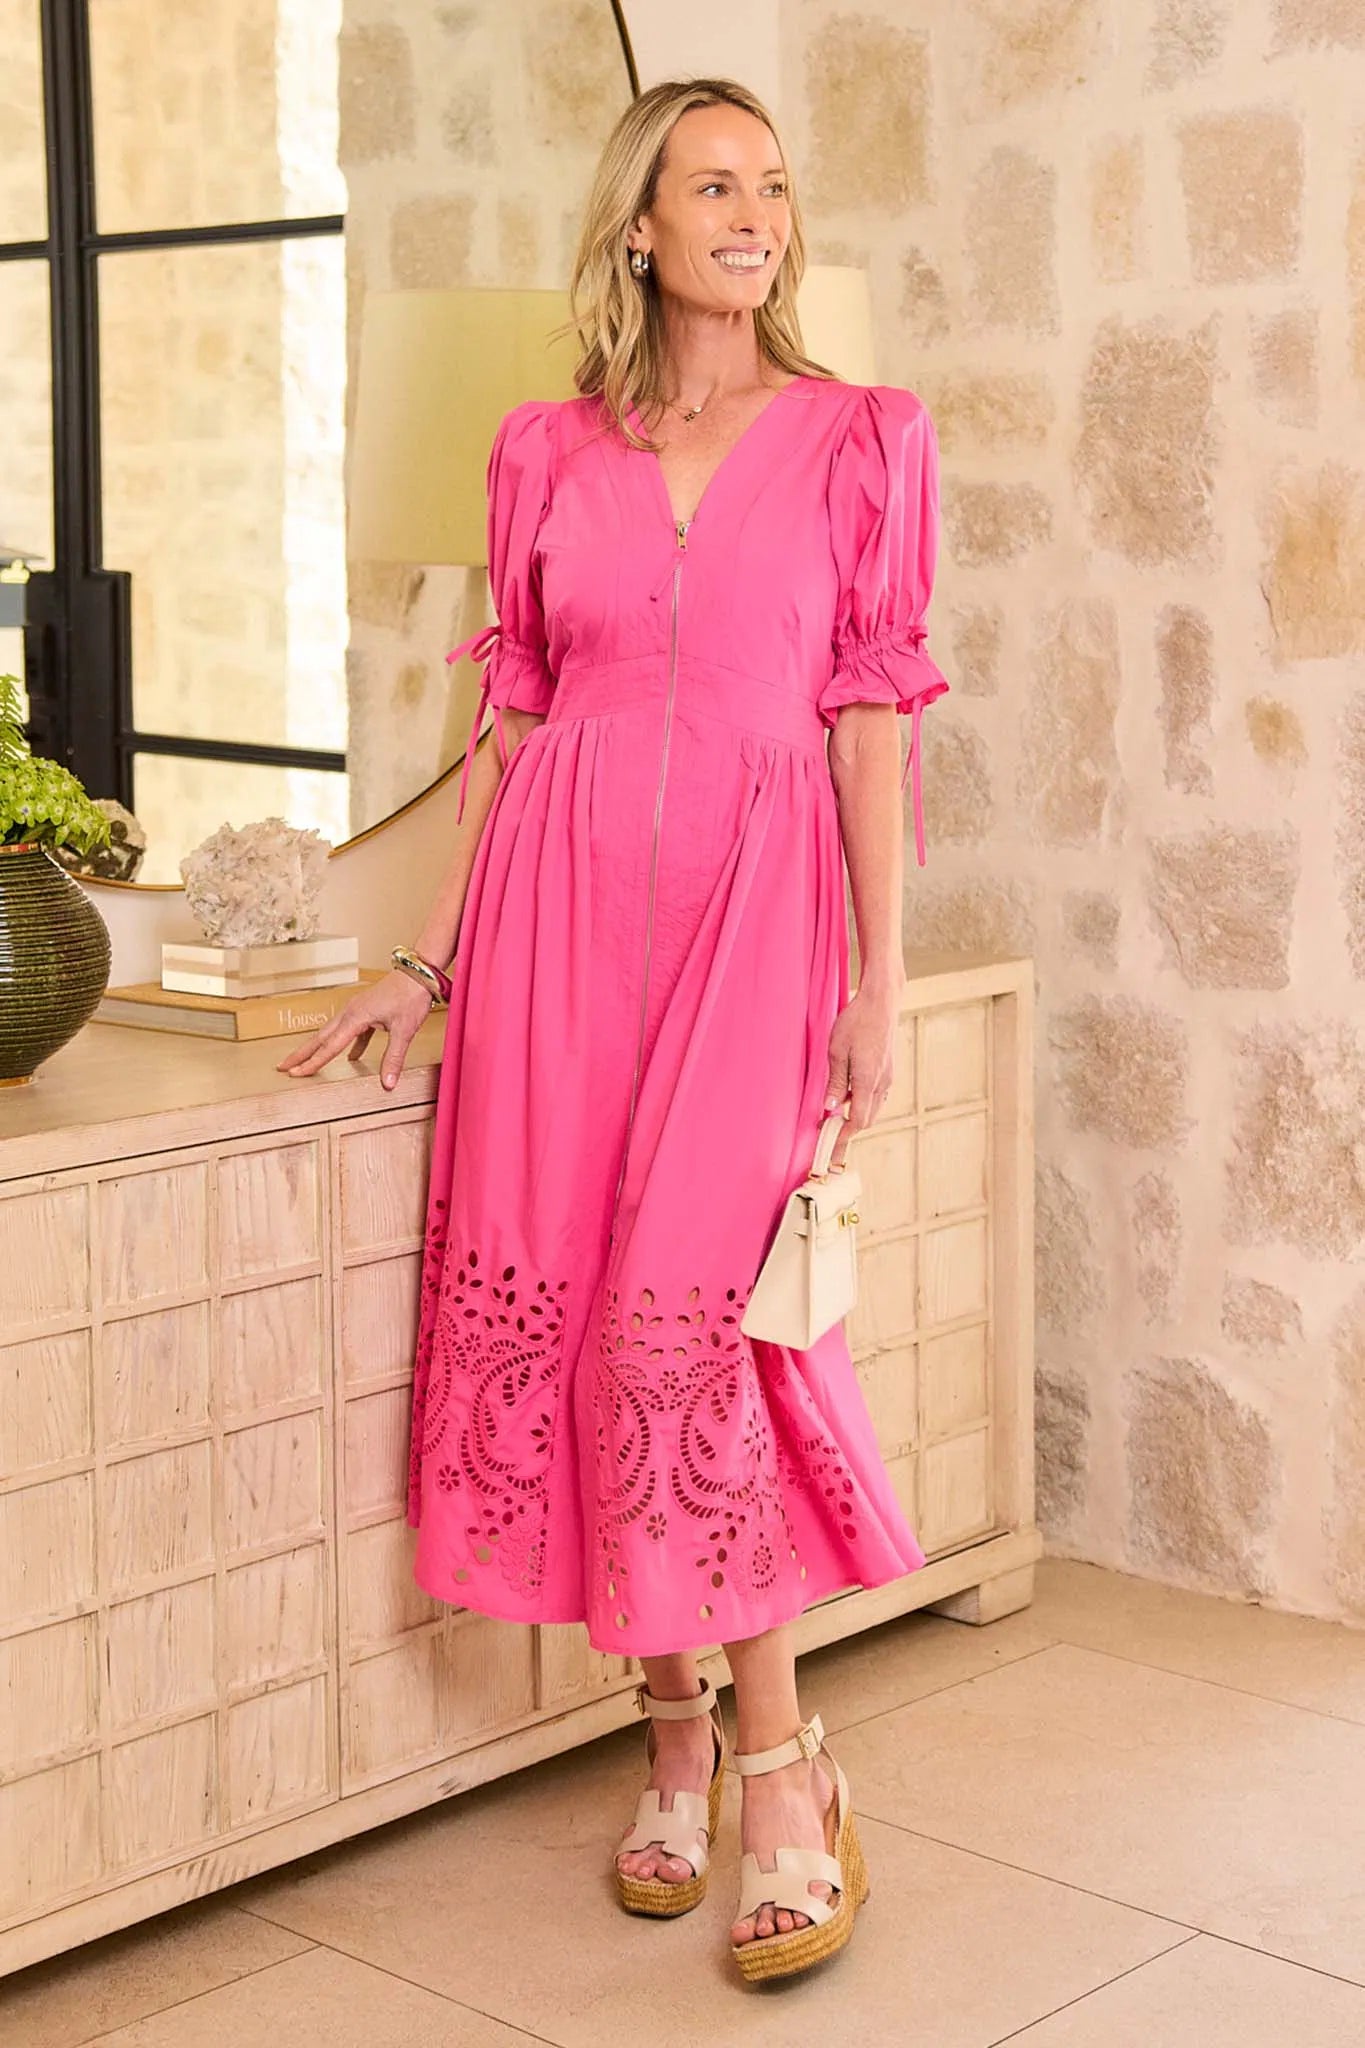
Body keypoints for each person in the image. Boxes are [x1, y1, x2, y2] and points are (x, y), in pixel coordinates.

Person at [279, 75, 949, 1982]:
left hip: (756, 931)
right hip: (553, 932)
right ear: (637, 227)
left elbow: (870, 721)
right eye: (710, 184)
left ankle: (782, 1770)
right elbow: (507, 730)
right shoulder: (536, 451)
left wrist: (874, 982)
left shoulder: (857, 438)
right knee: (577, 1320)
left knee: (694, 1340)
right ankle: (663, 1739)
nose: (752, 212)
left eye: (771, 186)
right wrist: (420, 965)